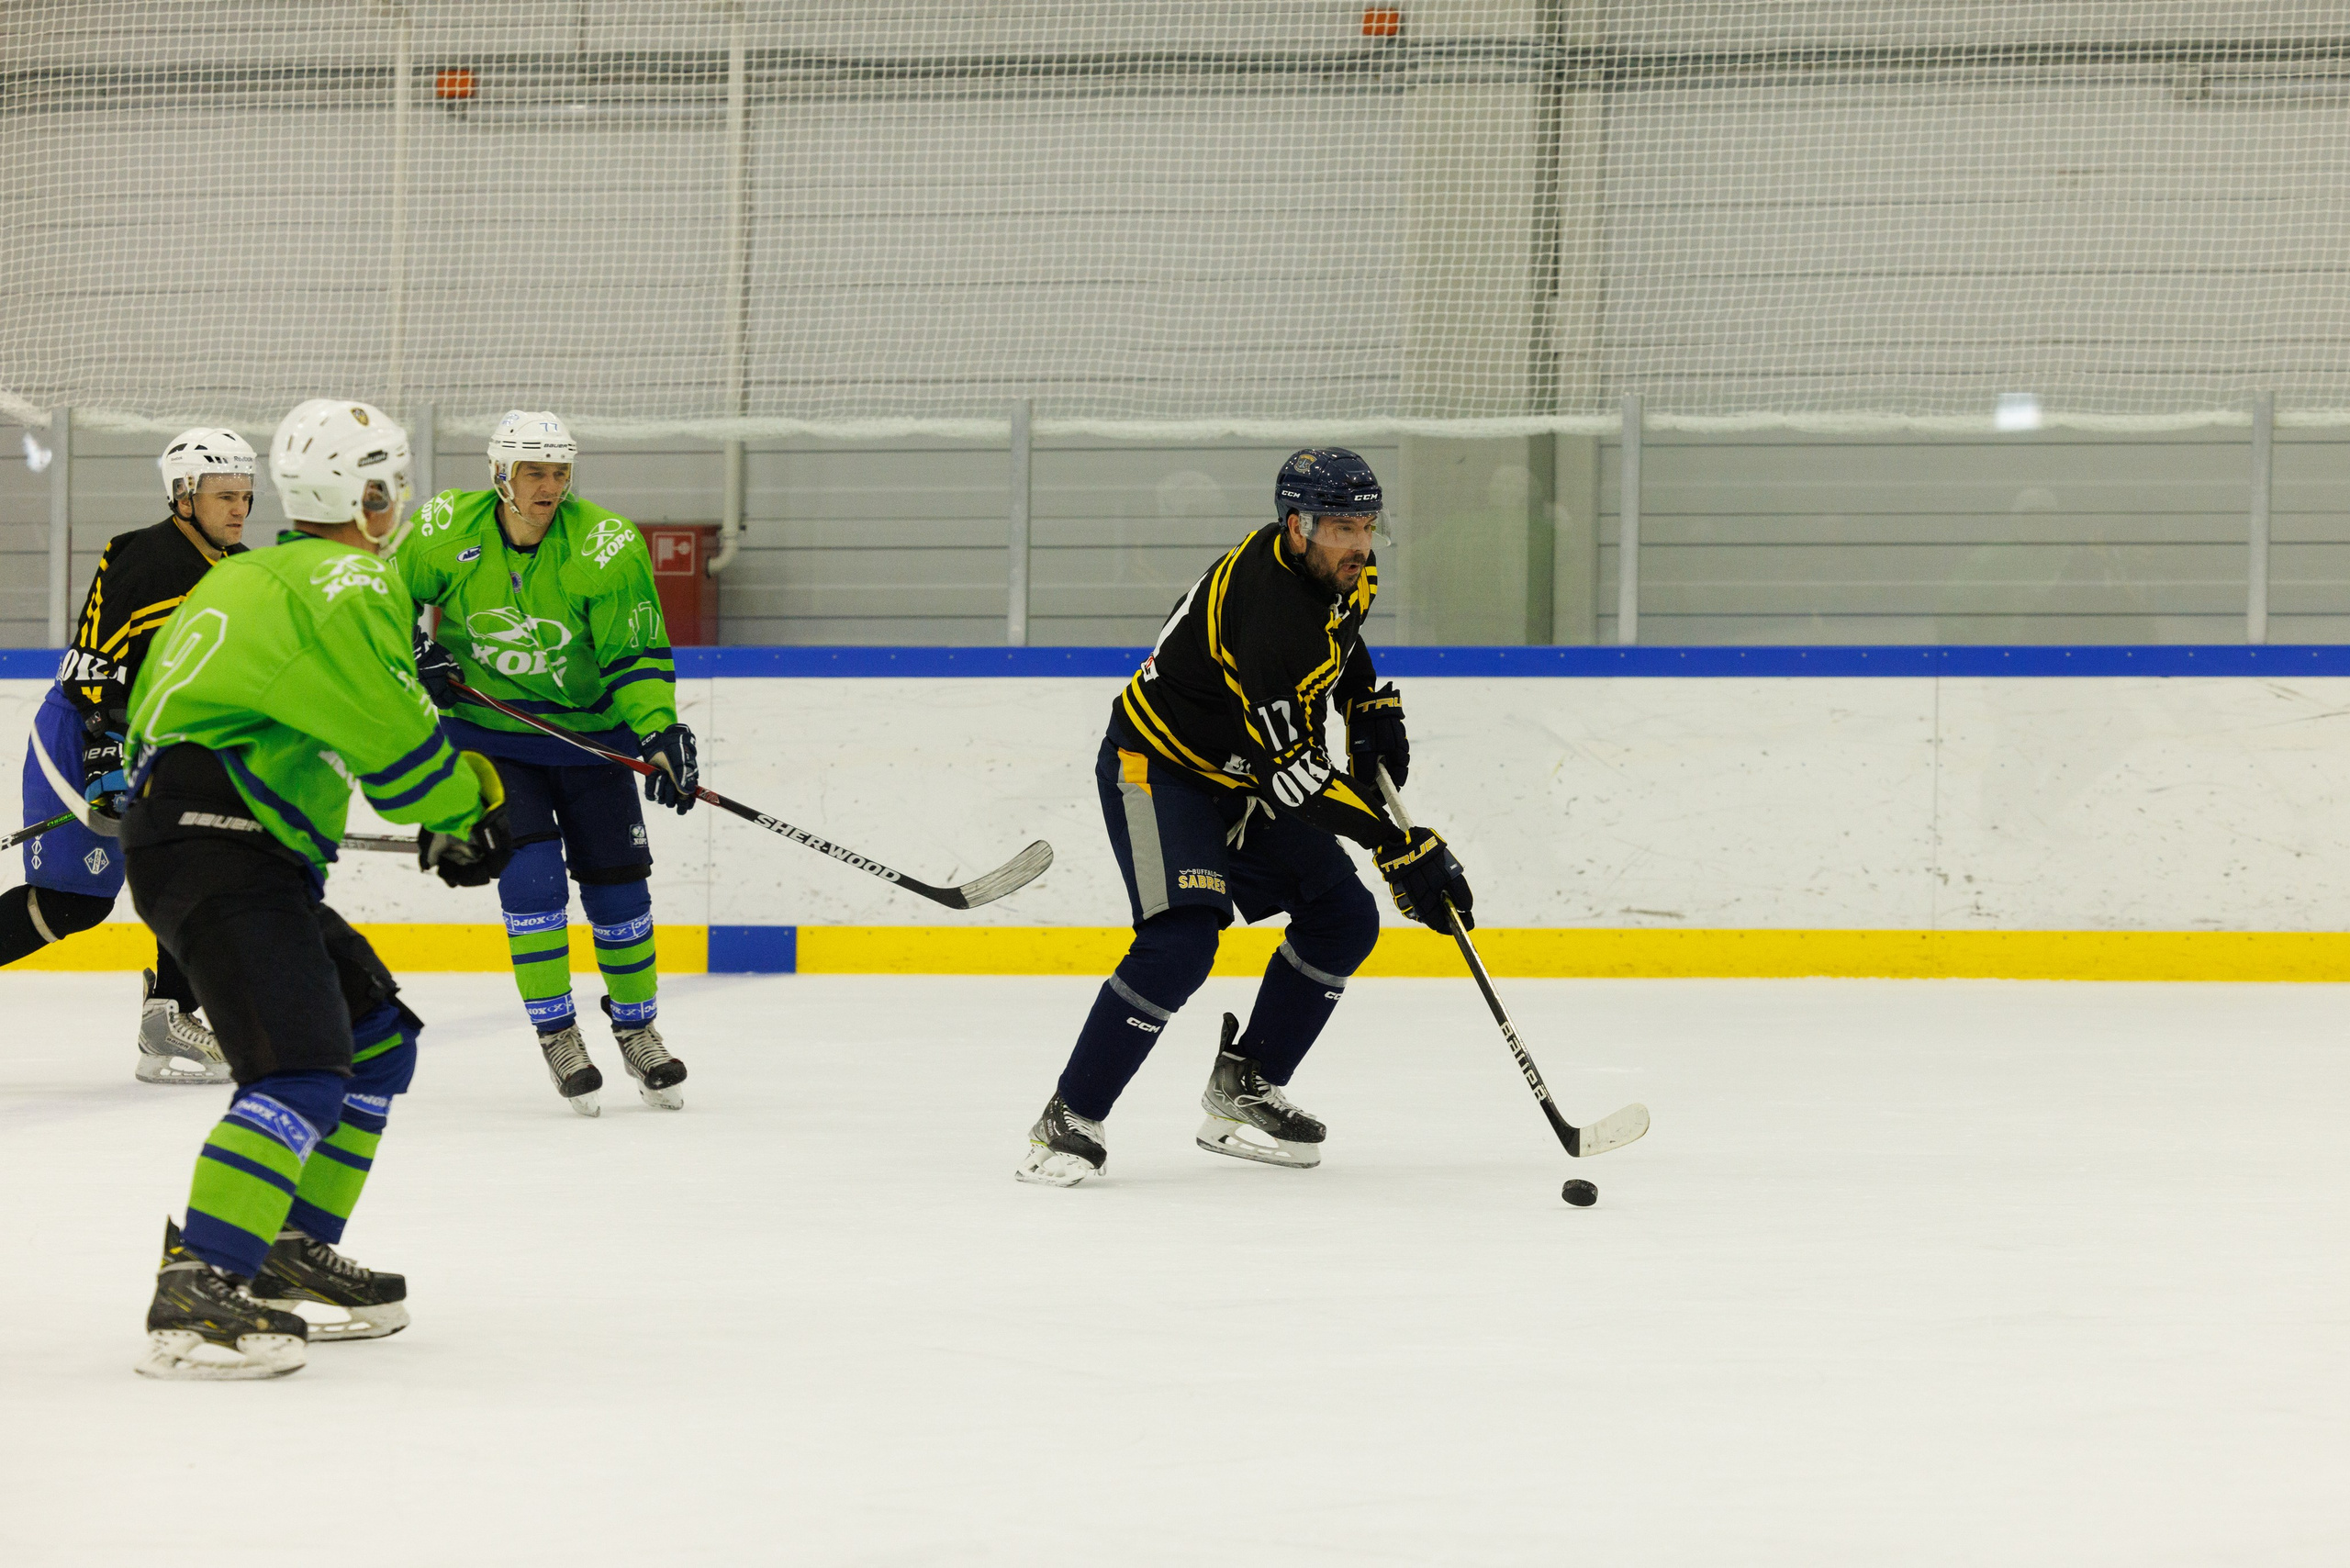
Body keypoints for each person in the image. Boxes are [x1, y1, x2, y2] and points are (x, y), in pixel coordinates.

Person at [122, 398, 511, 1380]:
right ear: (371, 494)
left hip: (216, 841)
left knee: (379, 1043)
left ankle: (282, 1245)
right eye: (390, 484)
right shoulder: (345, 580)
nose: (398, 503)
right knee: (295, 1070)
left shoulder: (252, 574)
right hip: (223, 850)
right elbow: (391, 743)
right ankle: (202, 1287)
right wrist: (462, 811)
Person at [1016, 447, 1475, 1186]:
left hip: (1245, 771)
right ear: (1296, 526)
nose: (1360, 544)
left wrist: (1363, 702)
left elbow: (1341, 639)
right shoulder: (1262, 612)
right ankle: (1069, 1116)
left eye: (1367, 525)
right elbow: (1294, 777)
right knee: (1183, 942)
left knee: (1343, 918)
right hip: (1161, 768)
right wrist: (1397, 845)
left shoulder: (1344, 571)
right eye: (1341, 528)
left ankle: (1245, 1085)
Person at [397, 409, 695, 1116]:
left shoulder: (604, 544)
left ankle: (637, 1027)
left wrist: (659, 731)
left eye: (560, 472)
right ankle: (558, 1033)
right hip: (490, 736)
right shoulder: (445, 529)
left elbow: (634, 654)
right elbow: (382, 604)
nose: (550, 486)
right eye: (535, 472)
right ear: (500, 475)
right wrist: (410, 648)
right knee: (530, 881)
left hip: (590, 741)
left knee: (620, 891)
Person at [0, 429, 256, 1084]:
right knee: (71, 905)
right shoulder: (141, 557)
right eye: (225, 495)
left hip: (159, 750)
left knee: (202, 871)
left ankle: (166, 1014)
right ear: (183, 494)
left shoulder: (242, 571)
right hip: (81, 738)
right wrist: (104, 761)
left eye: (246, 497)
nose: (238, 510)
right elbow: (94, 666)